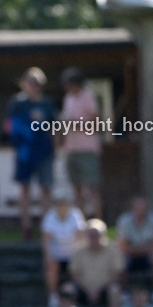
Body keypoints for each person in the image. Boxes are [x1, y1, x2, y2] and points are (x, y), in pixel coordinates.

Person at [5, 67, 57, 240]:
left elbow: (55, 127)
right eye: (32, 83)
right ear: (24, 84)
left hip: (45, 152)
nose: (36, 86)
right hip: (25, 153)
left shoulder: (47, 104)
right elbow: (9, 127)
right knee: (24, 190)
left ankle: (45, 228)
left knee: (46, 190)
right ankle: (26, 228)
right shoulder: (18, 103)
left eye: (38, 83)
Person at [59, 67, 102, 220]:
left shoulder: (88, 97)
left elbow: (96, 125)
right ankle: (81, 225)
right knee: (76, 190)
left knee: (92, 189)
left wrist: (74, 125)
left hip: (87, 149)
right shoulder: (68, 99)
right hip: (71, 149)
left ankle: (98, 224)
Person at [41, 190, 86, 307]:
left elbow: (80, 236)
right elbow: (46, 239)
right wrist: (48, 256)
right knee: (51, 266)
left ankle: (76, 296)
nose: (62, 207)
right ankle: (53, 296)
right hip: (56, 255)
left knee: (78, 268)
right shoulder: (50, 216)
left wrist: (79, 257)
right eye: (59, 204)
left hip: (73, 255)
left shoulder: (76, 215)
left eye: (64, 204)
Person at [69, 218, 124, 307]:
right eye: (91, 235)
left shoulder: (113, 250)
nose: (94, 238)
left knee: (114, 290)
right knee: (68, 290)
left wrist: (99, 290)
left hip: (105, 290)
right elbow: (74, 274)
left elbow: (117, 274)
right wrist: (87, 290)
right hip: (83, 290)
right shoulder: (78, 251)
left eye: (96, 235)